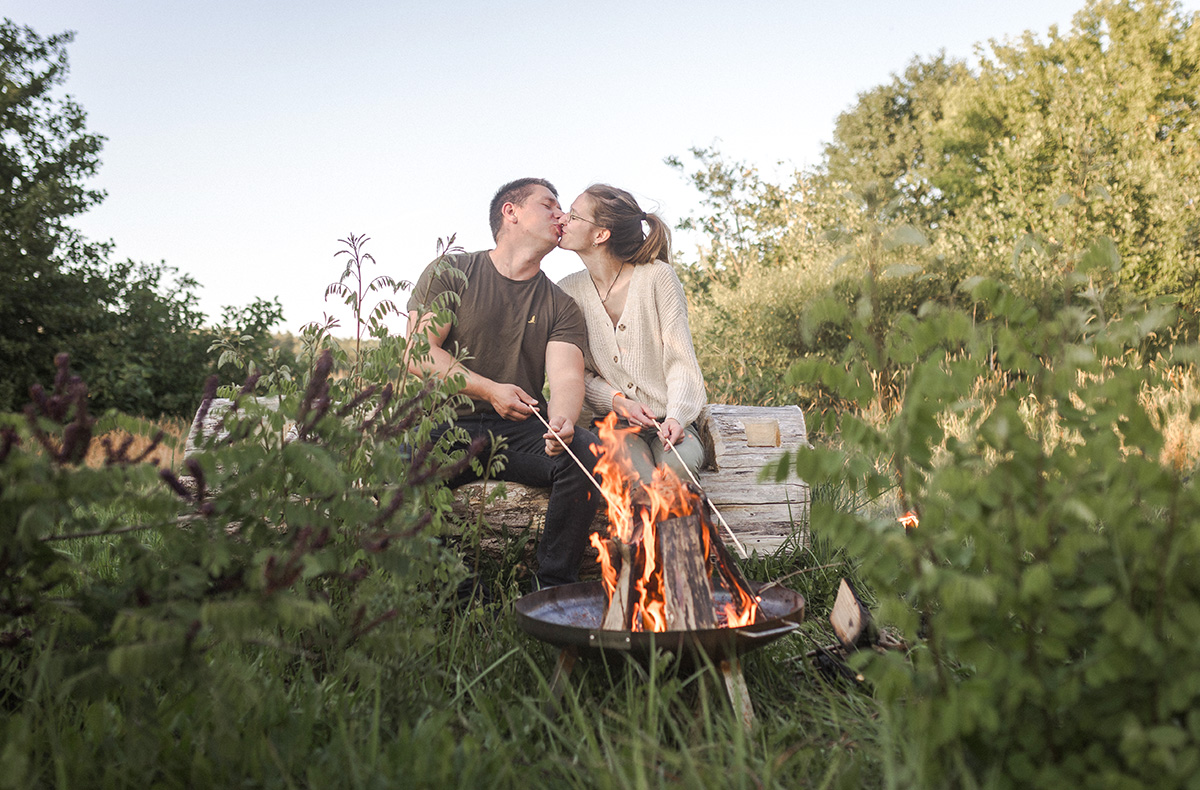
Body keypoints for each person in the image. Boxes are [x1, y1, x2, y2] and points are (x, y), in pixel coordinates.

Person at [406, 178, 600, 588]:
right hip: (442, 426)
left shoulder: (560, 304)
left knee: (582, 450)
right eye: (548, 205)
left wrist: (562, 421)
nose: (561, 215)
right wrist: (489, 389)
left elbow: (567, 375)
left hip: (517, 431)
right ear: (510, 212)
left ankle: (552, 587)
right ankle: (457, 591)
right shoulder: (454, 272)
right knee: (402, 465)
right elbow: (417, 354)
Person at [556, 184, 707, 484]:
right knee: (641, 480)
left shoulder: (657, 277)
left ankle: (682, 529)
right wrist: (617, 401)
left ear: (601, 235)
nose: (561, 219)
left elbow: (681, 361)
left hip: (671, 420)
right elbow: (577, 373)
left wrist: (676, 417)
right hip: (613, 425)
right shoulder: (567, 292)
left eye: (573, 216)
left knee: (677, 470)